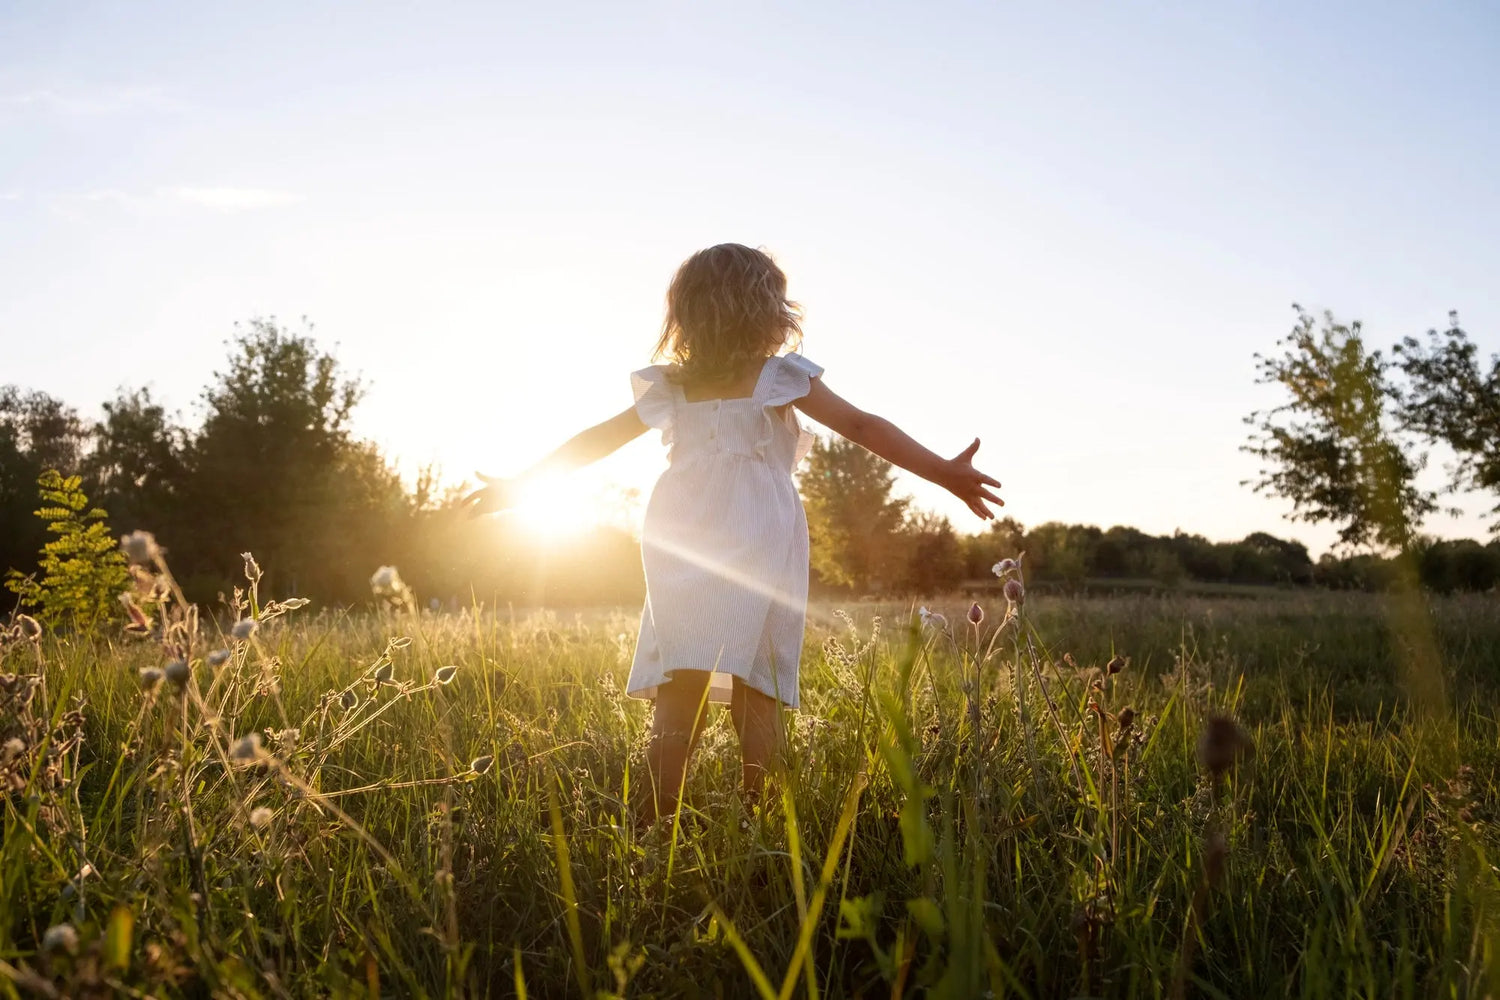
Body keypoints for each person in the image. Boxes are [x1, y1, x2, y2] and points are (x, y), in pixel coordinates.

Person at [464, 243, 1002, 825]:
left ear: (688, 314)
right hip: (761, 529)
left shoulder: (676, 384)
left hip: (682, 533)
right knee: (760, 680)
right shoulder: (777, 376)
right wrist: (943, 472)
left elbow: (596, 440)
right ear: (767, 309)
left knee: (683, 676)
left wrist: (521, 486)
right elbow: (862, 425)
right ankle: (756, 821)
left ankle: (652, 826)